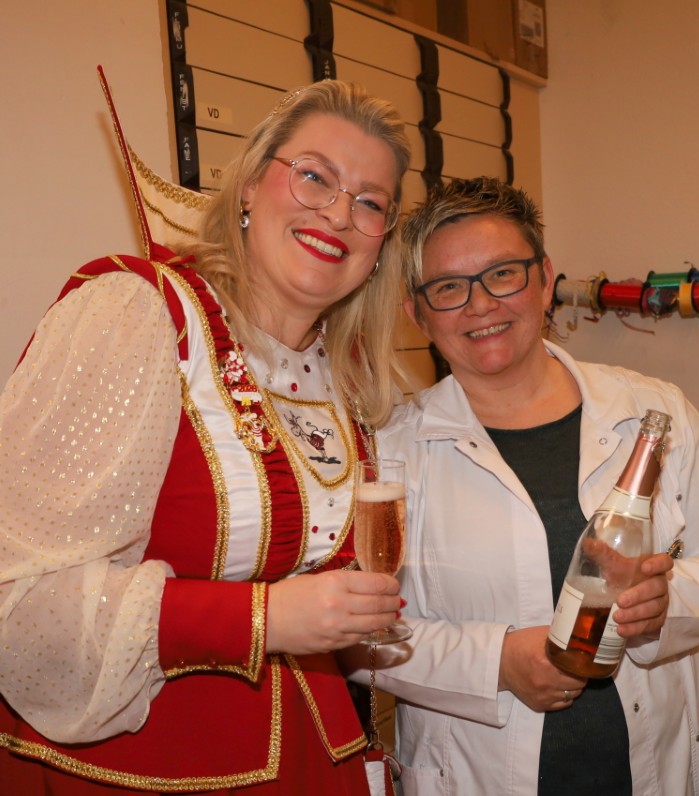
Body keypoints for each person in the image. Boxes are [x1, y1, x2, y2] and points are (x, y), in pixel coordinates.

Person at [0, 79, 411, 794]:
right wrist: (263, 618)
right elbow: (23, 602)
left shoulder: (346, 378)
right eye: (315, 177)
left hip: (315, 761)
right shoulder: (137, 315)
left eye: (370, 202)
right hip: (140, 768)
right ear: (249, 187)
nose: (339, 214)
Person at [354, 176, 699, 795]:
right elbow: (359, 636)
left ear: (544, 279)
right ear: (416, 313)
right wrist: (496, 663)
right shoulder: (386, 451)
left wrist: (667, 605)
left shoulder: (656, 411)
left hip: (657, 769)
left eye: (503, 274)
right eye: (448, 287)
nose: (480, 305)